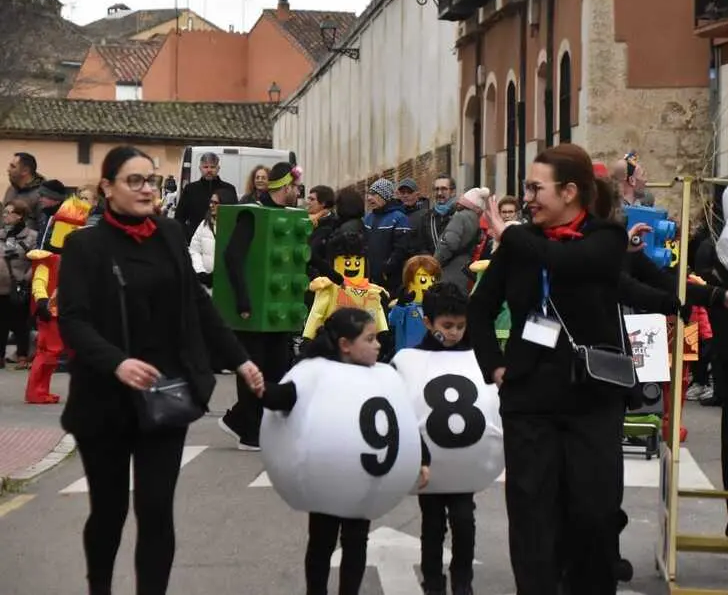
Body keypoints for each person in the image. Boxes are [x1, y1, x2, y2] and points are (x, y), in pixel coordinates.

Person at [57, 145, 263, 595]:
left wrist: (240, 359)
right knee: (108, 511)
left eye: (151, 180)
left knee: (155, 510)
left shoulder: (169, 235)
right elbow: (72, 320)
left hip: (165, 394)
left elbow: (197, 303)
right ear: (107, 188)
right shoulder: (84, 246)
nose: (146, 189)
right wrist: (117, 362)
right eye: (134, 181)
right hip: (104, 402)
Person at [468, 143, 627, 595]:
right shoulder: (519, 247)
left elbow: (568, 263)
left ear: (569, 192)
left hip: (592, 399)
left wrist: (510, 235)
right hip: (529, 400)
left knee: (594, 514)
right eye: (527, 189)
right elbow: (480, 308)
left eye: (536, 189)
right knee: (533, 517)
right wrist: (495, 366)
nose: (528, 198)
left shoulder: (605, 238)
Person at [261, 308, 430, 595]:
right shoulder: (314, 373)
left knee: (355, 542)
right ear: (345, 344)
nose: (378, 345)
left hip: (363, 481)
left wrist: (422, 457)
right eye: (370, 338)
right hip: (327, 479)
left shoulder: (385, 376)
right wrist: (258, 385)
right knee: (321, 542)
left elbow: (403, 420)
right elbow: (283, 397)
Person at [395, 281, 478, 595]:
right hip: (427, 458)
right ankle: (432, 581)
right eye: (447, 326)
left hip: (464, 459)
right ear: (428, 322)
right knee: (432, 524)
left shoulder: (474, 356)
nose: (454, 333)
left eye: (460, 326)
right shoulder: (412, 359)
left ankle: (462, 580)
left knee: (464, 521)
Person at [219, 161, 302, 451]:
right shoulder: (252, 215)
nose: (298, 192)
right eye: (295, 187)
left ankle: (239, 419)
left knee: (277, 369)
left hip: (277, 311)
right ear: (285, 187)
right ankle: (248, 430)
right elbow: (232, 256)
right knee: (255, 368)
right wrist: (243, 299)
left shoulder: (287, 216)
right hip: (253, 310)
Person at [25, 195, 91, 404]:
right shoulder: (48, 259)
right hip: (51, 312)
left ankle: (44, 391)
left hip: (70, 312)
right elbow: (39, 281)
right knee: (48, 353)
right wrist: (42, 301)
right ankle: (36, 391)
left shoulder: (76, 260)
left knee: (69, 354)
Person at [0, 200, 36, 370]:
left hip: (20, 286)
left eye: (9, 212)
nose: (5, 216)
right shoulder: (0, 234)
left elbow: (36, 261)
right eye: (4, 212)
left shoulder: (32, 236)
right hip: (1, 286)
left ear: (20, 215)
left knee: (21, 323)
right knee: (1, 323)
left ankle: (22, 355)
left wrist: (26, 279)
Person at [174, 152, 238, 241]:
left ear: (218, 168)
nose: (209, 170)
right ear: (200, 168)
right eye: (206, 167)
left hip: (222, 239)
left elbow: (234, 217)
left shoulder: (229, 189)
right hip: (194, 239)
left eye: (212, 167)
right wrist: (187, 235)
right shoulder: (190, 189)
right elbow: (179, 217)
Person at [388, 255, 441, 352]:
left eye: (433, 280)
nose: (430, 285)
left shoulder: (437, 306)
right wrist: (400, 304)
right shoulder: (405, 306)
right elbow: (393, 321)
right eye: (423, 280)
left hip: (430, 354)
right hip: (408, 354)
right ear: (410, 282)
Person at [189, 187, 237, 296]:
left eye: (216, 203)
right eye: (211, 202)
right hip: (205, 286)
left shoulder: (234, 228)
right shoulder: (204, 225)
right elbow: (194, 250)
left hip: (226, 286)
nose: (211, 205)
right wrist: (201, 273)